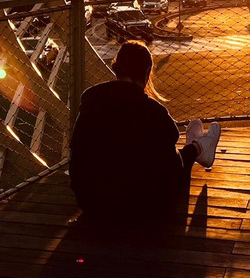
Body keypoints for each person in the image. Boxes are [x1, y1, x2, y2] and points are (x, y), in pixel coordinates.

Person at [70, 41, 221, 222]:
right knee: (171, 157)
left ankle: (197, 147)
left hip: (92, 204)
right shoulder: (153, 112)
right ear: (147, 71)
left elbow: (77, 149)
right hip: (144, 207)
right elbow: (170, 155)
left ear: (116, 68)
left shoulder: (90, 101)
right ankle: (198, 147)